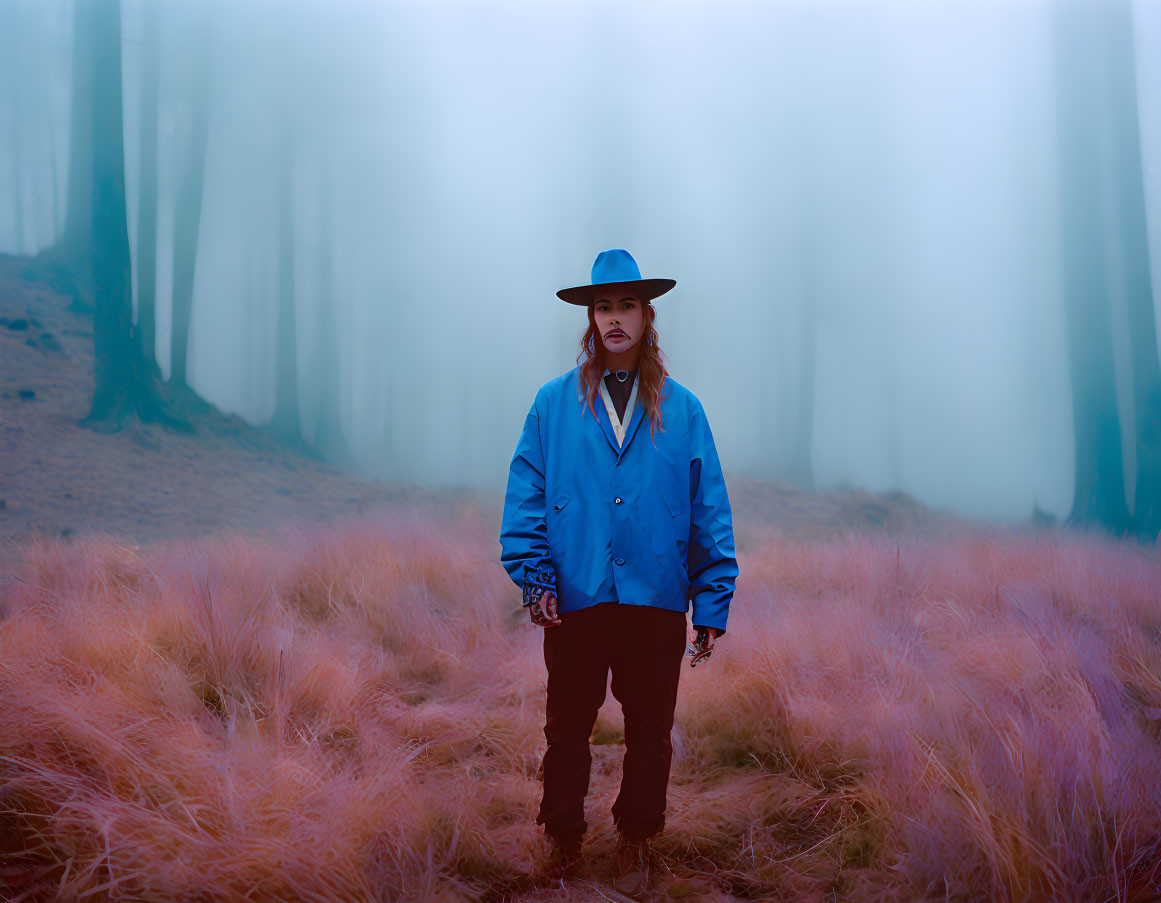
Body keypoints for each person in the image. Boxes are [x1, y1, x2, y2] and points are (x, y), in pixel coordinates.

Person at [499, 249, 739, 897]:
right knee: (566, 725)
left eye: (625, 305)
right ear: (590, 316)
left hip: (655, 597)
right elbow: (525, 493)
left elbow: (706, 504)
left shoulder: (683, 409)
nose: (613, 319)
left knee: (649, 731)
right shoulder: (551, 405)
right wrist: (535, 577)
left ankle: (636, 837)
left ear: (645, 314)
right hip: (575, 594)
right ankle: (563, 839)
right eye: (602, 306)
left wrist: (711, 599)